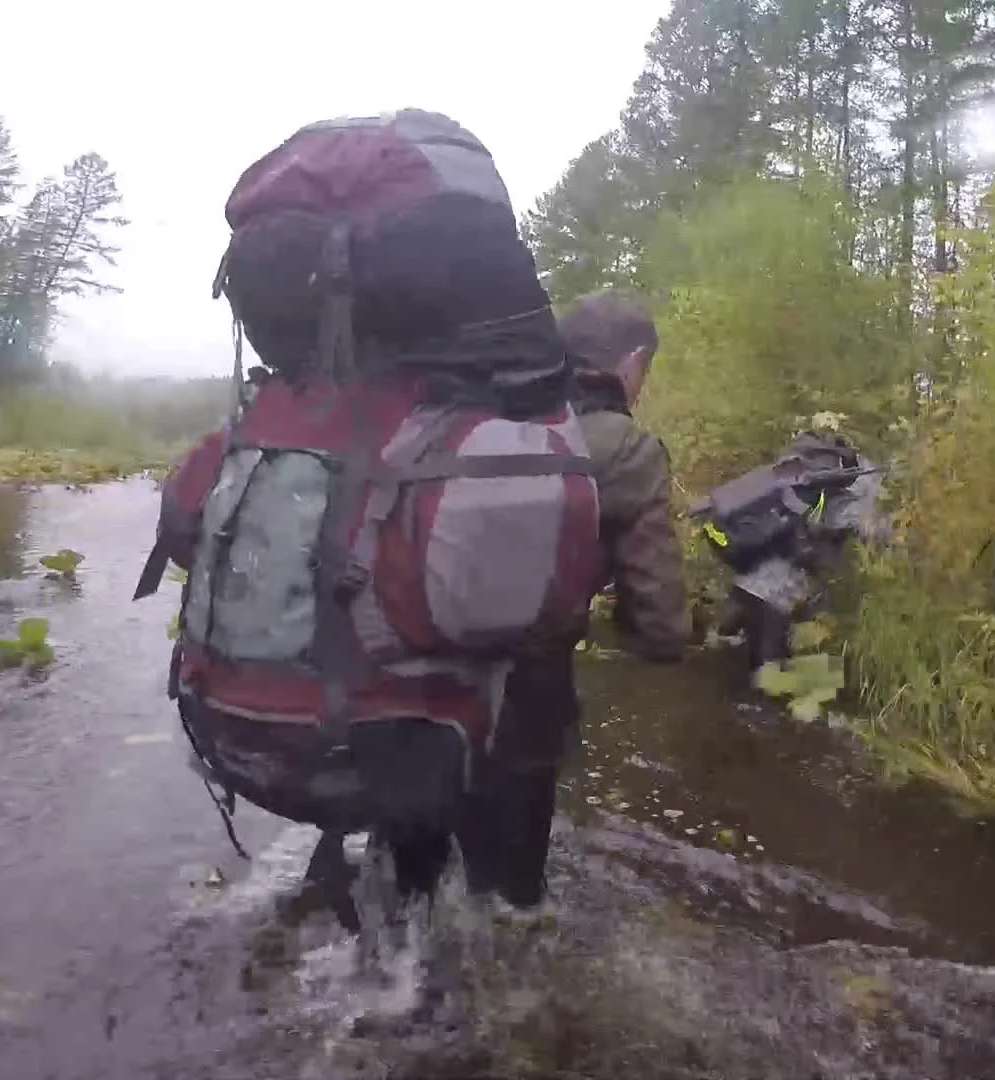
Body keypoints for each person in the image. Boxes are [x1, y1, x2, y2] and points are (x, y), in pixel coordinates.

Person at [134, 110, 603, 934]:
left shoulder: (265, 421)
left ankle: (378, 922)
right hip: (406, 745)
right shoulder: (488, 438)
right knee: (495, 854)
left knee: (404, 829)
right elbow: (548, 608)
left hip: (251, 735)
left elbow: (183, 534)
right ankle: (488, 935)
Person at [452, 288, 693, 919]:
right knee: (512, 903)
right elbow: (662, 624)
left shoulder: (480, 418)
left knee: (430, 853)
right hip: (530, 684)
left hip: (424, 663)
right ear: (632, 363)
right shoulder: (625, 448)